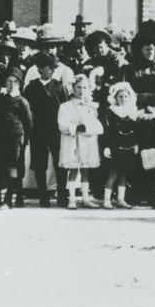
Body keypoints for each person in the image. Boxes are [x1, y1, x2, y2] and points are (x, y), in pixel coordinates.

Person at [23, 52, 73, 207]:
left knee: (60, 162)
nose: (50, 71)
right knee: (39, 163)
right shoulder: (31, 87)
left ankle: (62, 196)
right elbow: (27, 109)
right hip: (37, 131)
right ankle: (43, 196)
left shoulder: (60, 87)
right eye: (44, 67)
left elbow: (65, 108)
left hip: (55, 130)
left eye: (51, 68)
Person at [0, 67, 34, 209]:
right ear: (5, 83)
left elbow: (28, 123)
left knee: (13, 167)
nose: (11, 85)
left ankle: (8, 200)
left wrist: (22, 138)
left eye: (15, 82)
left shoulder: (22, 101)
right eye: (9, 82)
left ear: (19, 84)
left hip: (14, 138)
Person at [58, 74, 104, 209]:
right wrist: (76, 127)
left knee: (85, 169)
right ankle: (72, 199)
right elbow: (62, 123)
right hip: (72, 141)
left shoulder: (91, 107)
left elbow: (95, 124)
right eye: (78, 87)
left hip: (86, 141)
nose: (81, 90)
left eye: (85, 87)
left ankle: (85, 199)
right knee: (73, 169)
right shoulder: (65, 106)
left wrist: (87, 127)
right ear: (73, 88)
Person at [101, 82, 143, 209]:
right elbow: (107, 130)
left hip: (128, 146)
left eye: (125, 96)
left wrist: (136, 144)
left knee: (124, 172)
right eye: (120, 97)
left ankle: (121, 199)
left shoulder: (133, 112)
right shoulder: (111, 111)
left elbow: (136, 130)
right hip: (116, 146)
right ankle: (106, 199)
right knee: (113, 173)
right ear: (115, 98)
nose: (123, 99)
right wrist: (107, 146)